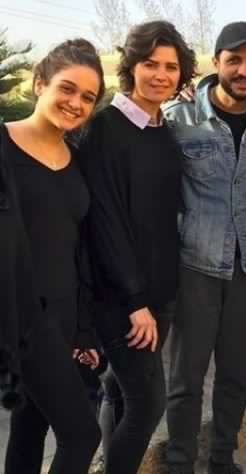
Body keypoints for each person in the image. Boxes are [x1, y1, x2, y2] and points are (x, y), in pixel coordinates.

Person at [81, 21, 197, 474]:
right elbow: (105, 222)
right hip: (125, 300)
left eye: (171, 66)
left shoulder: (161, 128)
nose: (161, 75)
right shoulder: (105, 129)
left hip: (160, 292)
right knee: (148, 404)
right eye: (150, 64)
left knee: (119, 390)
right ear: (131, 66)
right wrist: (134, 301)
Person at [163, 22, 246, 474]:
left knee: (235, 375)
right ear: (216, 63)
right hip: (196, 263)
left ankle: (222, 459)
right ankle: (179, 463)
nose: (245, 70)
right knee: (186, 378)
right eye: (235, 60)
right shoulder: (179, 118)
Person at [0, 38, 104, 474]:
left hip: (62, 317)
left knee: (30, 429)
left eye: (88, 97)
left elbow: (77, 249)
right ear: (39, 83)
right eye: (67, 88)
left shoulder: (76, 159)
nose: (76, 103)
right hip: (22, 319)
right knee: (82, 435)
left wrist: (83, 329)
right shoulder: (3, 146)